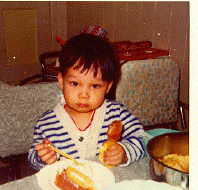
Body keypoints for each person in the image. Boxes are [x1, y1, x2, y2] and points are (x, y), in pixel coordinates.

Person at [28, 33, 145, 171]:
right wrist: (42, 157)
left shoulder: (117, 113)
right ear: (61, 81)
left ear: (107, 87)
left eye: (95, 86)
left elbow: (143, 139)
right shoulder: (46, 123)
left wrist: (125, 153)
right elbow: (32, 156)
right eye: (75, 83)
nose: (84, 95)